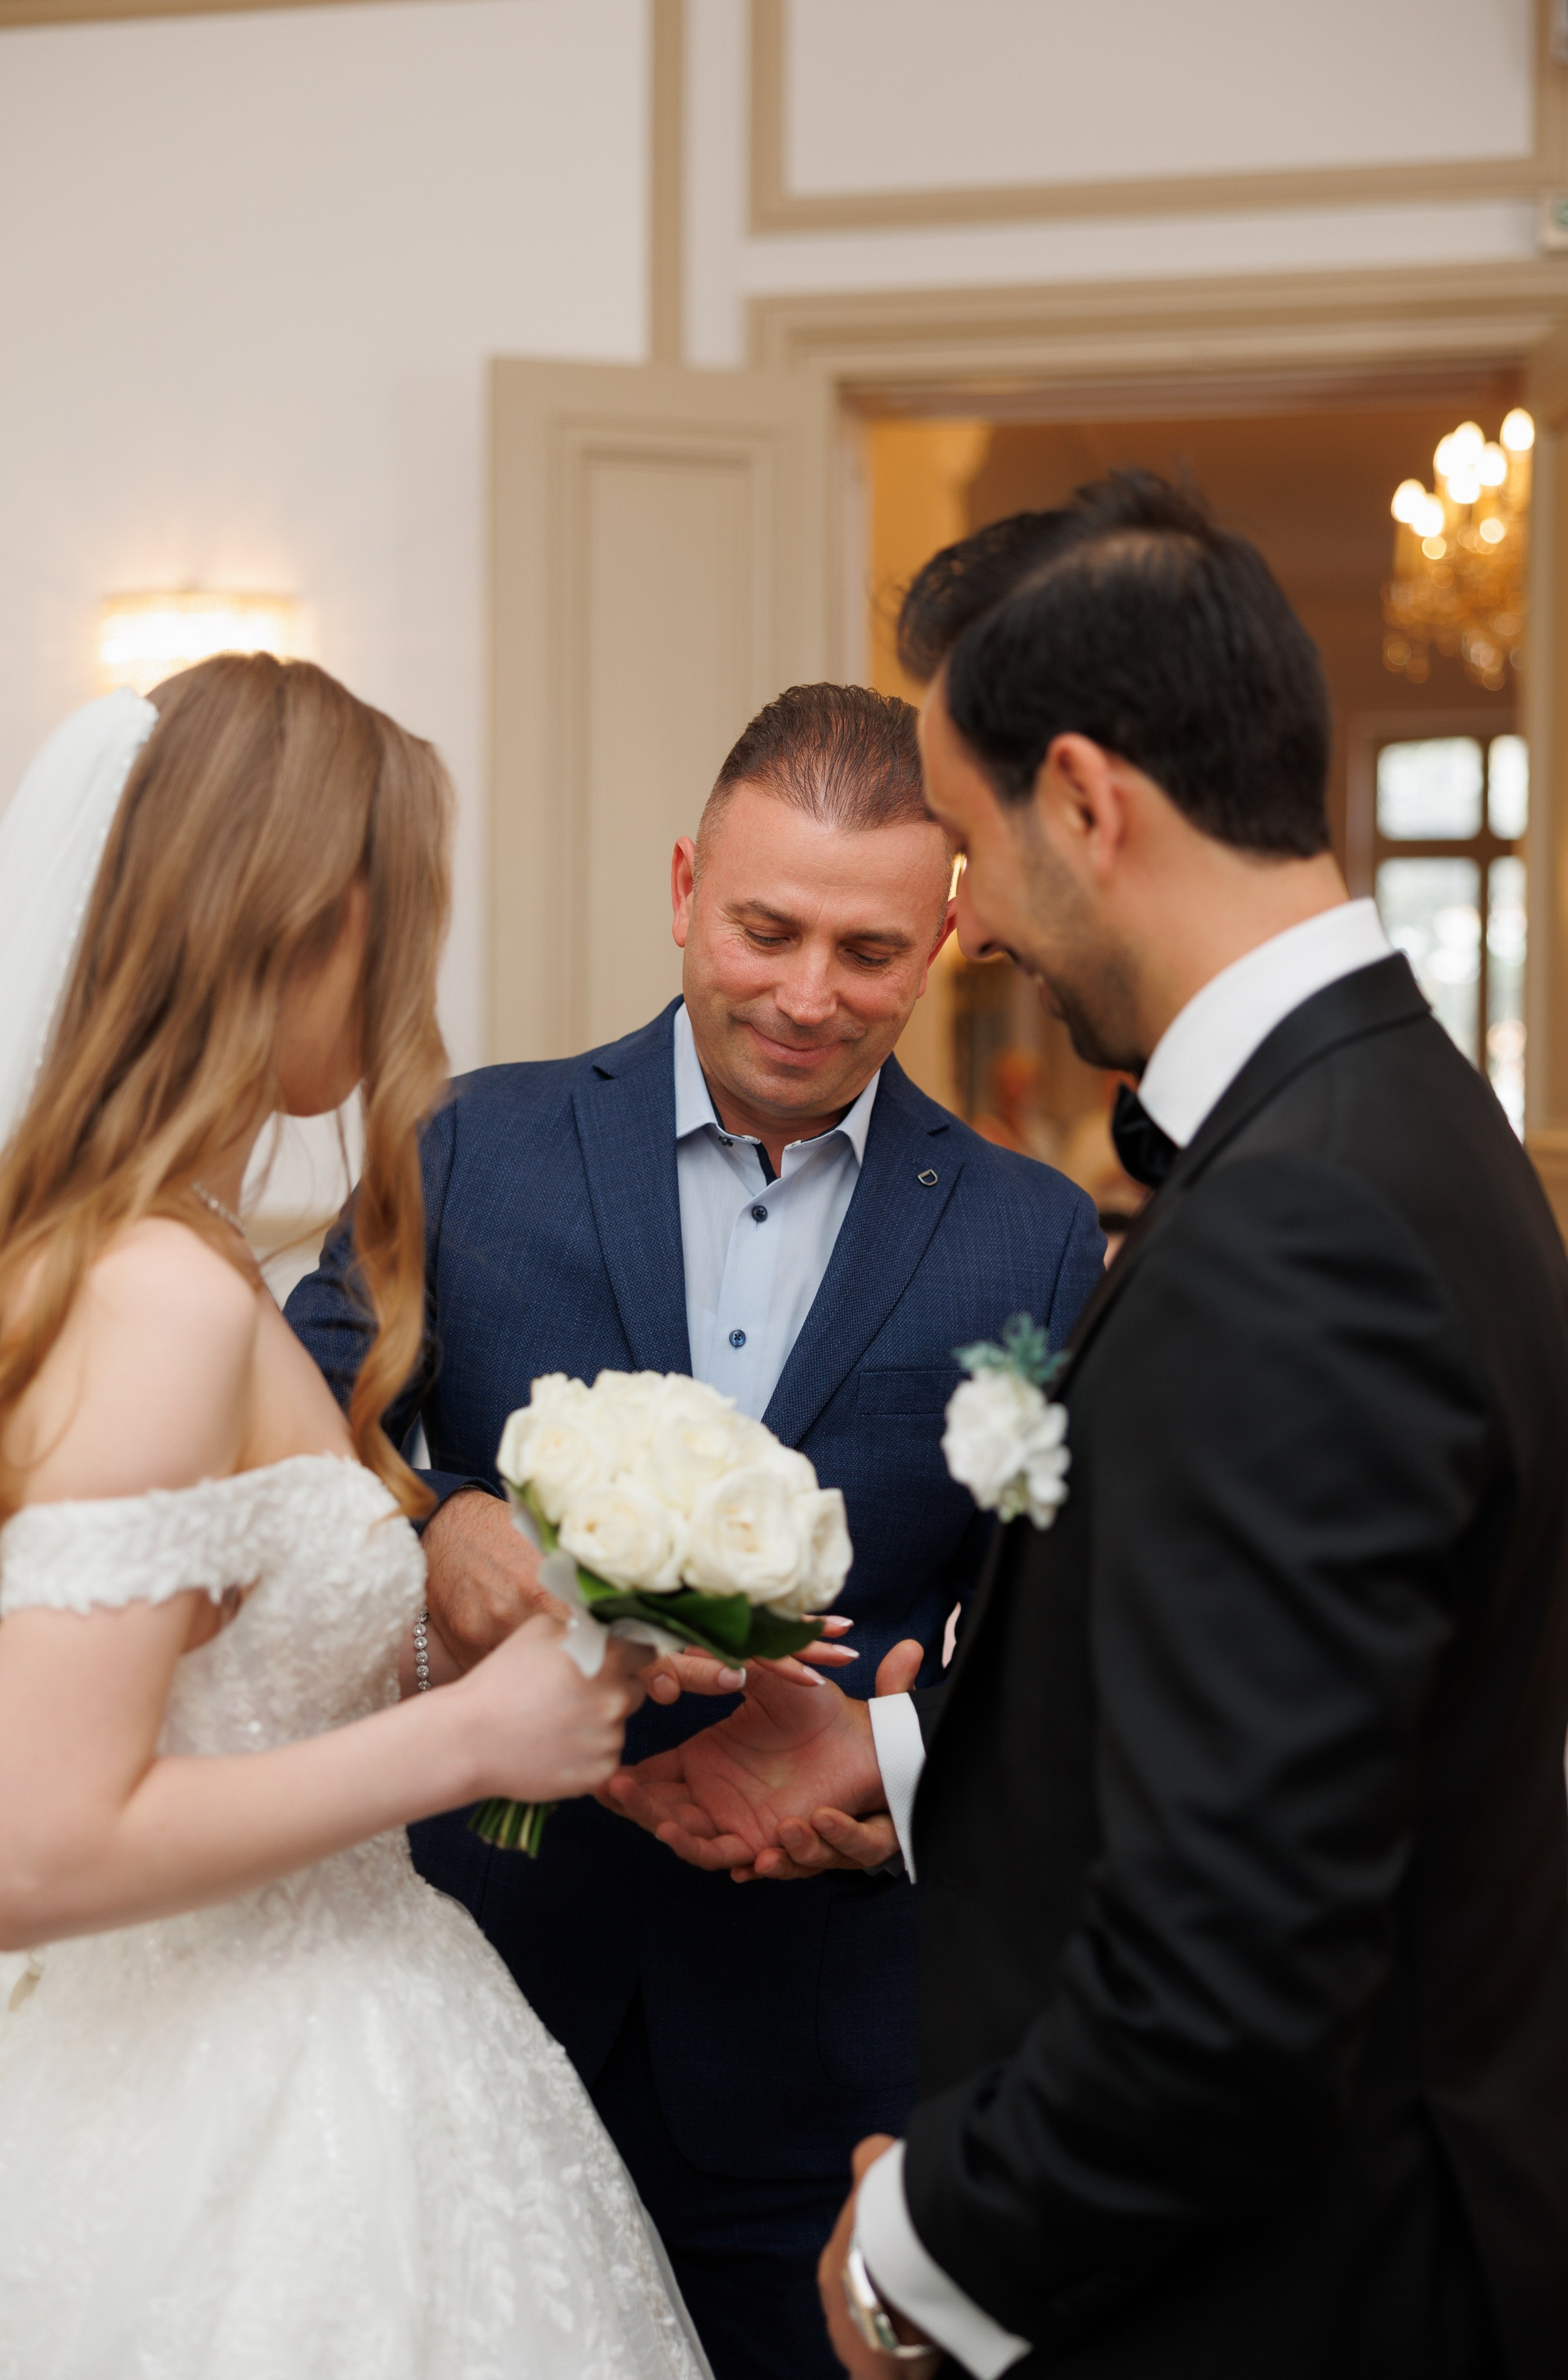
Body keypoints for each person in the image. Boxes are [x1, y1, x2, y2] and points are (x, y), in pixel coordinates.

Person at [615, 480, 1568, 2376]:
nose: (969, 936)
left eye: (966, 849)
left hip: (1304, 2292)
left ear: (1086, 801)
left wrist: (917, 2249)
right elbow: (1274, 1717)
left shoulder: (1305, 1219)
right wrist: (893, 1751)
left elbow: (1232, 1982)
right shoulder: (1396, 1120)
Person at [285, 681, 1105, 2380]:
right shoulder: (475, 1142)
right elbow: (293, 1400)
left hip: (823, 2041)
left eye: (869, 950)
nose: (810, 995)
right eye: (765, 927)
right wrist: (436, 1520)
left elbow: (1061, 1624)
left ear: (947, 934)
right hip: (485, 1984)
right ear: (682, 889)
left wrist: (889, 1764)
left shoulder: (1033, 1239)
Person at [0, 660, 709, 2380]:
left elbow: (222, 1668)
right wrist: (472, 1742)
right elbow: (21, 1851)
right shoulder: (160, 1293)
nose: (414, 979)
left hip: (344, 2039)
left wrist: (475, 1644)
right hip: (223, 2116)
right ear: (309, 916)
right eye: (407, 920)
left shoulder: (199, 1253)